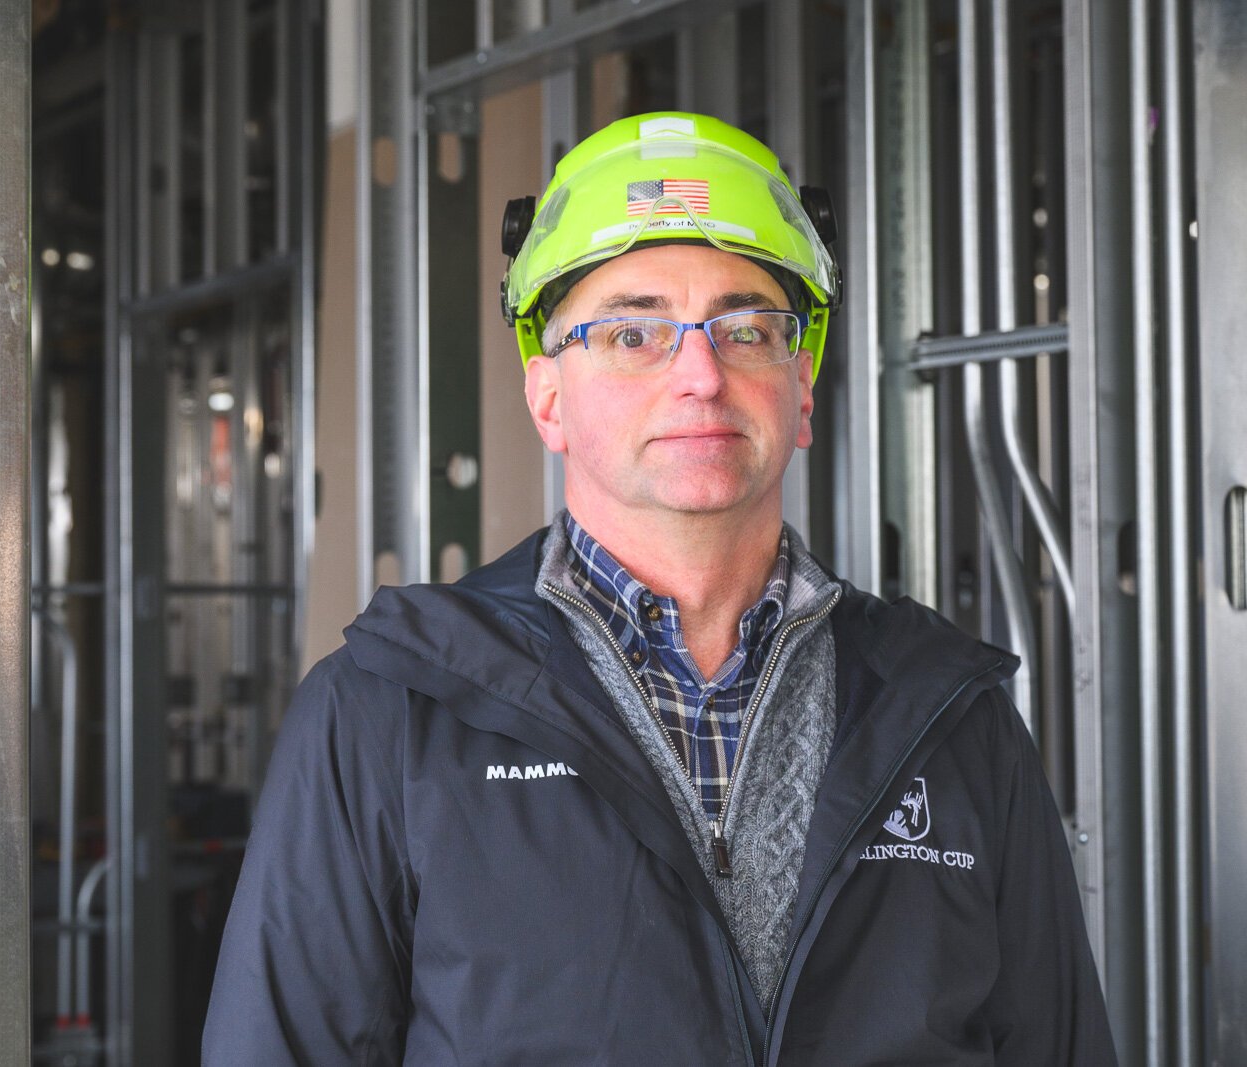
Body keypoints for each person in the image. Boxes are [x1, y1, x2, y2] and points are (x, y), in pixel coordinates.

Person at [203, 111, 1114, 1064]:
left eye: (747, 328)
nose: (700, 374)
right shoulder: (387, 712)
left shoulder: (951, 717)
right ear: (547, 394)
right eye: (633, 332)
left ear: (801, 389)